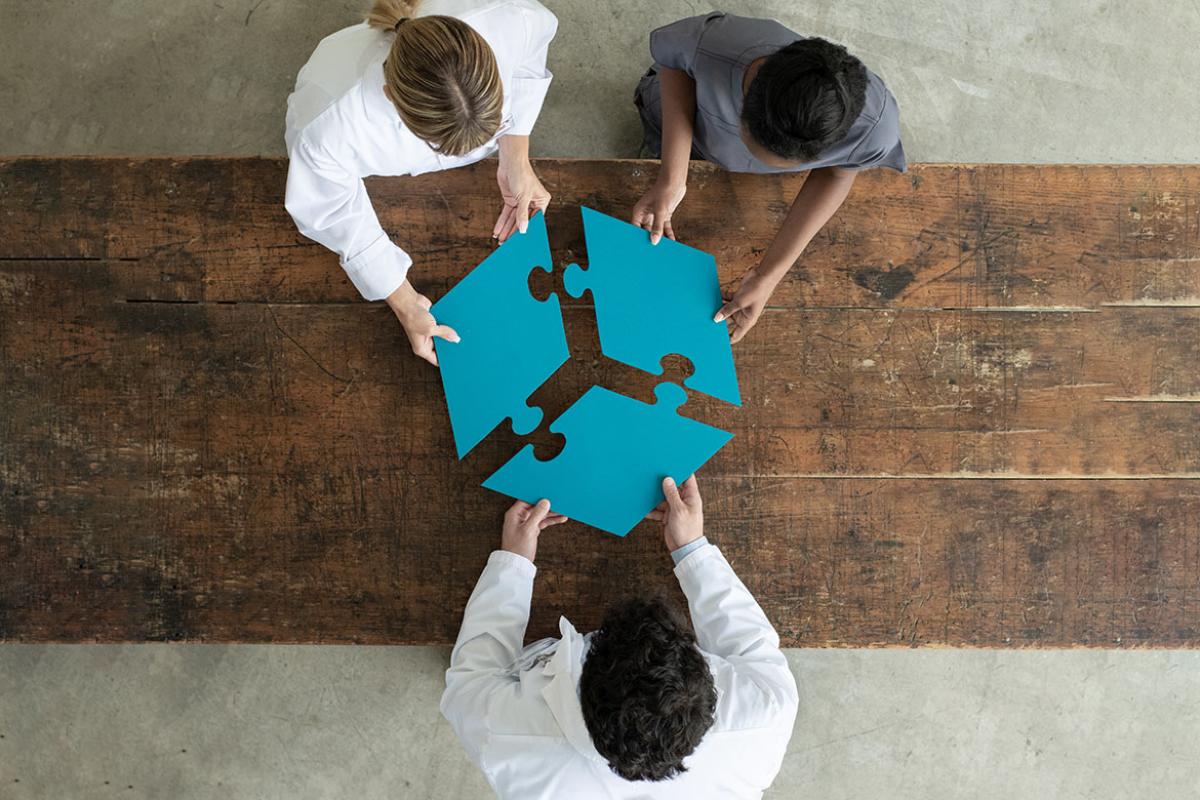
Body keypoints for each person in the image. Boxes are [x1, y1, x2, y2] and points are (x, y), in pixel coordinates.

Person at [441, 477, 798, 798]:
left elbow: (471, 676)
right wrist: (691, 548)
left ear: (584, 688)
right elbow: (748, 642)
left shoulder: (507, 738)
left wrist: (514, 560)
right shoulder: (765, 716)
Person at [284, 0, 558, 365]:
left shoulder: (511, 19)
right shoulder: (325, 124)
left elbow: (529, 59)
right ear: (391, 98)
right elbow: (331, 209)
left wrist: (515, 156)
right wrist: (405, 302)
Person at [631, 12, 906, 344]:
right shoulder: (714, 43)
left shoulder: (877, 131)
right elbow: (671, 64)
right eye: (751, 144)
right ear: (743, 109)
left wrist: (767, 276)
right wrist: (673, 177)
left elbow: (837, 173)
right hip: (682, 117)